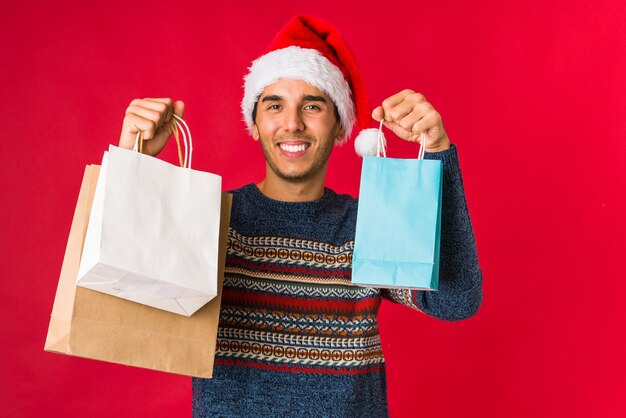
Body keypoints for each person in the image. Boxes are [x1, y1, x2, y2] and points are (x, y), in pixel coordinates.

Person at [118, 15, 481, 418]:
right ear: (254, 124)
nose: (292, 123)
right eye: (274, 105)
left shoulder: (367, 226)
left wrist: (437, 154)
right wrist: (136, 167)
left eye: (312, 105)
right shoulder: (212, 222)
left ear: (339, 124)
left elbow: (456, 300)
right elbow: (126, 306)